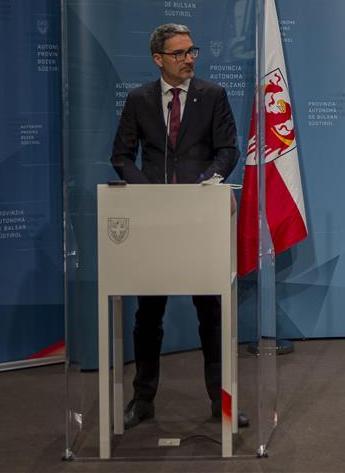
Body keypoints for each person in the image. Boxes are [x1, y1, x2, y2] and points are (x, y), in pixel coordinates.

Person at [111, 23, 246, 429]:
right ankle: (143, 399)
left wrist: (206, 184)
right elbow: (121, 156)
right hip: (154, 221)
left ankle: (221, 402)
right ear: (158, 59)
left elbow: (228, 150)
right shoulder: (139, 99)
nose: (189, 59)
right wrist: (148, 194)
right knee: (148, 315)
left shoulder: (213, 95)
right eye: (180, 53)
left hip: (200, 217)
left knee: (211, 313)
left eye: (192, 51)